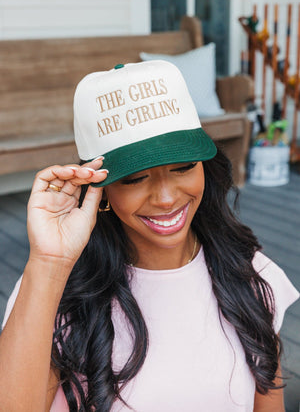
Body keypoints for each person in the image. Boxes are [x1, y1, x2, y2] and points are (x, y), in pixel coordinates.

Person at [0, 60, 299, 412]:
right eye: (134, 178)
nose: (167, 198)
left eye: (183, 166)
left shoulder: (249, 274)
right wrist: (49, 262)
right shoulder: (53, 289)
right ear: (100, 187)